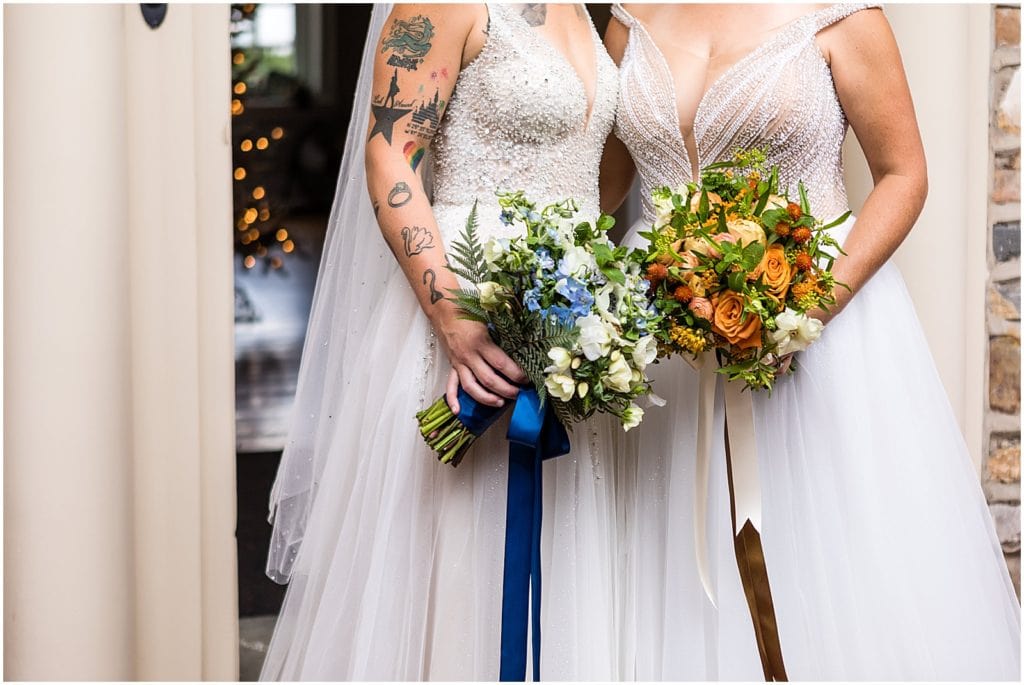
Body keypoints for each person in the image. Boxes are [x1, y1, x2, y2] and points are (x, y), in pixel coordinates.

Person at [601, 3, 1022, 679]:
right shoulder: (627, 16)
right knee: (666, 585)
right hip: (662, 356)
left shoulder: (841, 12)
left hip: (816, 344)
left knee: (826, 583)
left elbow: (904, 174)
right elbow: (603, 182)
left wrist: (802, 312)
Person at [260, 3, 626, 679]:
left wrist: (569, 275)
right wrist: (453, 313)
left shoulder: (584, 8)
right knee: (459, 557)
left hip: (560, 326)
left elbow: (601, 169)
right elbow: (390, 156)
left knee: (561, 556)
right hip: (459, 314)